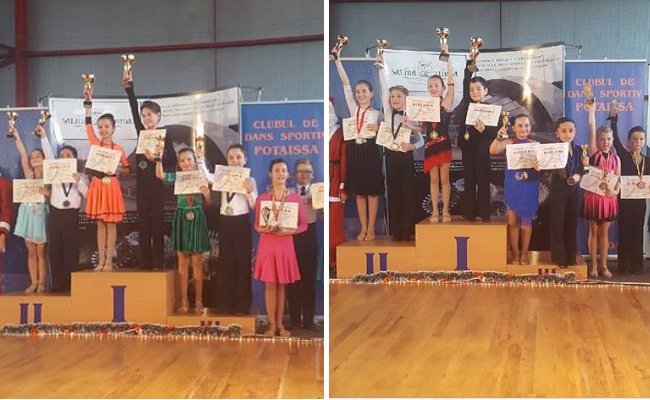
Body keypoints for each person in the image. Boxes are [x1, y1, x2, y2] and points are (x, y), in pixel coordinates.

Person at [123, 71, 176, 270]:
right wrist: (130, 90)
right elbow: (133, 110)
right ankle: (145, 262)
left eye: (150, 115)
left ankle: (159, 261)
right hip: (142, 186)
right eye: (144, 115)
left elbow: (173, 160)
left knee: (157, 224)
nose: (146, 118)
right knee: (143, 223)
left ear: (158, 116)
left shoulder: (165, 135)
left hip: (158, 185)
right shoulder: (141, 132)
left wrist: (157, 158)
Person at [198, 144, 257, 315]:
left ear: (245, 160)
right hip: (225, 222)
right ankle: (225, 304)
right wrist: (200, 159)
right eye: (231, 157)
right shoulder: (222, 176)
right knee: (225, 263)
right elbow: (207, 177)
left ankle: (242, 305)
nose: (235, 160)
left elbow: (254, 205)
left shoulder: (250, 180)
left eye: (238, 157)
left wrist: (249, 192)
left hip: (241, 222)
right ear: (227, 160)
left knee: (242, 264)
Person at [333, 46, 384, 241]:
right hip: (355, 151)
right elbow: (345, 84)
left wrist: (378, 130)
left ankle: (371, 228)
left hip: (370, 152)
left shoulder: (378, 114)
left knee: (372, 193)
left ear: (372, 93)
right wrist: (337, 60)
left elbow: (388, 136)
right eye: (358, 92)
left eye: (364, 91)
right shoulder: (353, 109)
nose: (360, 94)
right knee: (360, 194)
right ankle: (363, 228)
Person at [254, 159, 307, 337]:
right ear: (270, 173)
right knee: (270, 284)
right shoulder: (262, 199)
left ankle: (280, 325)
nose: (280, 174)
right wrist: (264, 229)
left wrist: (289, 231)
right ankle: (271, 325)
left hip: (285, 245)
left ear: (288, 174)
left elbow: (303, 225)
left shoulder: (294, 198)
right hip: (268, 244)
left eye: (283, 170)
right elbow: (257, 225)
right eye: (277, 170)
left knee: (282, 285)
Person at [155, 147, 211, 313]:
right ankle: (184, 301)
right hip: (181, 217)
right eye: (182, 160)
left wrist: (207, 195)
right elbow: (160, 175)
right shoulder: (177, 177)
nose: (186, 163)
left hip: (197, 216)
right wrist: (158, 159)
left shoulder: (201, 177)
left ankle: (199, 300)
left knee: (197, 263)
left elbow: (209, 202)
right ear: (178, 163)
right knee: (182, 262)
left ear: (194, 161)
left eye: (189, 159)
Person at [36, 125, 88, 292]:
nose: (64, 157)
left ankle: (71, 285)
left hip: (71, 215)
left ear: (74, 159)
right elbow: (49, 156)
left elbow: (87, 195)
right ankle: (58, 285)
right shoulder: (55, 173)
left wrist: (78, 181)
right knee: (55, 249)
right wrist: (43, 136)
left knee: (70, 249)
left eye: (68, 155)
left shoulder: (81, 176)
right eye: (62, 155)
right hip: (56, 215)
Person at [377, 57, 424, 240]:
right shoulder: (388, 113)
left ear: (406, 99)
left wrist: (413, 146)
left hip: (405, 157)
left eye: (398, 96)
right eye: (392, 96)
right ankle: (396, 232)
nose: (394, 99)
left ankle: (408, 231)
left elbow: (420, 140)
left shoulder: (411, 116)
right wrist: (381, 66)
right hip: (390, 156)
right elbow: (383, 89)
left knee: (407, 193)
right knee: (394, 193)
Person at [83, 93, 130, 271]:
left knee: (111, 224)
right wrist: (88, 107)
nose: (103, 130)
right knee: (100, 224)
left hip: (111, 186)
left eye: (107, 126)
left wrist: (118, 169)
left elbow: (127, 169)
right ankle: (100, 261)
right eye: (101, 127)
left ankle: (109, 261)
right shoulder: (95, 144)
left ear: (113, 128)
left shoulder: (119, 148)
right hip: (97, 185)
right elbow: (88, 127)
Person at [490, 114, 539, 264]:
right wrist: (498, 137)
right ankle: (515, 253)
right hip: (513, 185)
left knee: (526, 222)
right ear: (513, 128)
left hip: (529, 186)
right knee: (513, 221)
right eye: (520, 125)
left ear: (530, 127)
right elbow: (493, 150)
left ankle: (524, 253)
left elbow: (542, 164)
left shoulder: (535, 144)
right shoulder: (508, 143)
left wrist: (538, 166)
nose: (524, 128)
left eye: (527, 125)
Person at [9, 125, 48, 293]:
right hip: (27, 214)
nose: (34, 158)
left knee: (41, 252)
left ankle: (42, 282)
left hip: (40, 215)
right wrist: (16, 136)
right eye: (33, 157)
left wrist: (46, 193)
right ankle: (33, 282)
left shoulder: (49, 176)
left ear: (45, 159)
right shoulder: (29, 174)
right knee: (31, 251)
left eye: (38, 156)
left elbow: (51, 195)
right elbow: (23, 153)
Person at [457, 61, 498, 222]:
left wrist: (484, 130)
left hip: (483, 150)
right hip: (467, 149)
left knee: (483, 182)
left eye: (478, 89)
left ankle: (485, 214)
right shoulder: (466, 104)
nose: (474, 92)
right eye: (471, 89)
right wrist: (470, 62)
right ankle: (470, 215)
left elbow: (494, 133)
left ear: (485, 91)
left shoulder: (492, 110)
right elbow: (466, 80)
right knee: (469, 181)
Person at [583, 101, 620, 278]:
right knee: (593, 231)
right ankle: (594, 266)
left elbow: (618, 180)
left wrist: (616, 191)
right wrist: (592, 111)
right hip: (593, 198)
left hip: (608, 200)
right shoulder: (593, 153)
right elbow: (592, 128)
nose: (605, 142)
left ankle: (604, 266)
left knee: (605, 232)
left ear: (612, 140)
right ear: (597, 140)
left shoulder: (616, 159)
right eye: (602, 139)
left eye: (608, 139)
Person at [610, 110, 649, 274]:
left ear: (645, 141)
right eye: (634, 139)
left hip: (640, 203)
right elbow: (615, 141)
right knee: (625, 232)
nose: (638, 142)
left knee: (637, 233)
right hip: (624, 201)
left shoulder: (648, 160)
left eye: (641, 139)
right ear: (629, 140)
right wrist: (614, 122)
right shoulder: (624, 156)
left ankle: (637, 265)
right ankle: (624, 265)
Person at [548, 117, 589, 269]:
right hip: (558, 190)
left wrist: (586, 165)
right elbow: (546, 169)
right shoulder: (552, 150)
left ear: (575, 132)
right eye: (564, 131)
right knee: (558, 223)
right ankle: (559, 257)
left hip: (575, 191)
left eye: (571, 131)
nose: (568, 134)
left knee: (572, 223)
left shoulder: (579, 150)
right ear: (557, 133)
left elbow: (584, 172)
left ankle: (571, 256)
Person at [422, 44, 455, 223]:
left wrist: (447, 57)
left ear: (442, 88)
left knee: (445, 179)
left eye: (436, 85)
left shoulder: (446, 102)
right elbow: (422, 129)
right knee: (433, 180)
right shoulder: (424, 106)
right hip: (429, 146)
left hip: (443, 144)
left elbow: (451, 81)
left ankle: (446, 211)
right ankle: (435, 212)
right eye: (430, 86)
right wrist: (408, 123)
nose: (433, 88)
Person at [289, 159, 319, 330]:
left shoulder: (317, 193)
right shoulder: (287, 193)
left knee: (309, 280)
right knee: (293, 280)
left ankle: (308, 321)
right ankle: (294, 320)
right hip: (291, 236)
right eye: (300, 171)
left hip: (310, 234)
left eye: (307, 171)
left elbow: (324, 219)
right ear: (294, 175)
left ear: (312, 175)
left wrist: (319, 207)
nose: (304, 174)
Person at [329, 98, 347, 271]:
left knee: (335, 222)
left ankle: (335, 260)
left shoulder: (340, 133)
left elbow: (344, 161)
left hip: (335, 179)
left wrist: (343, 185)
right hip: (320, 181)